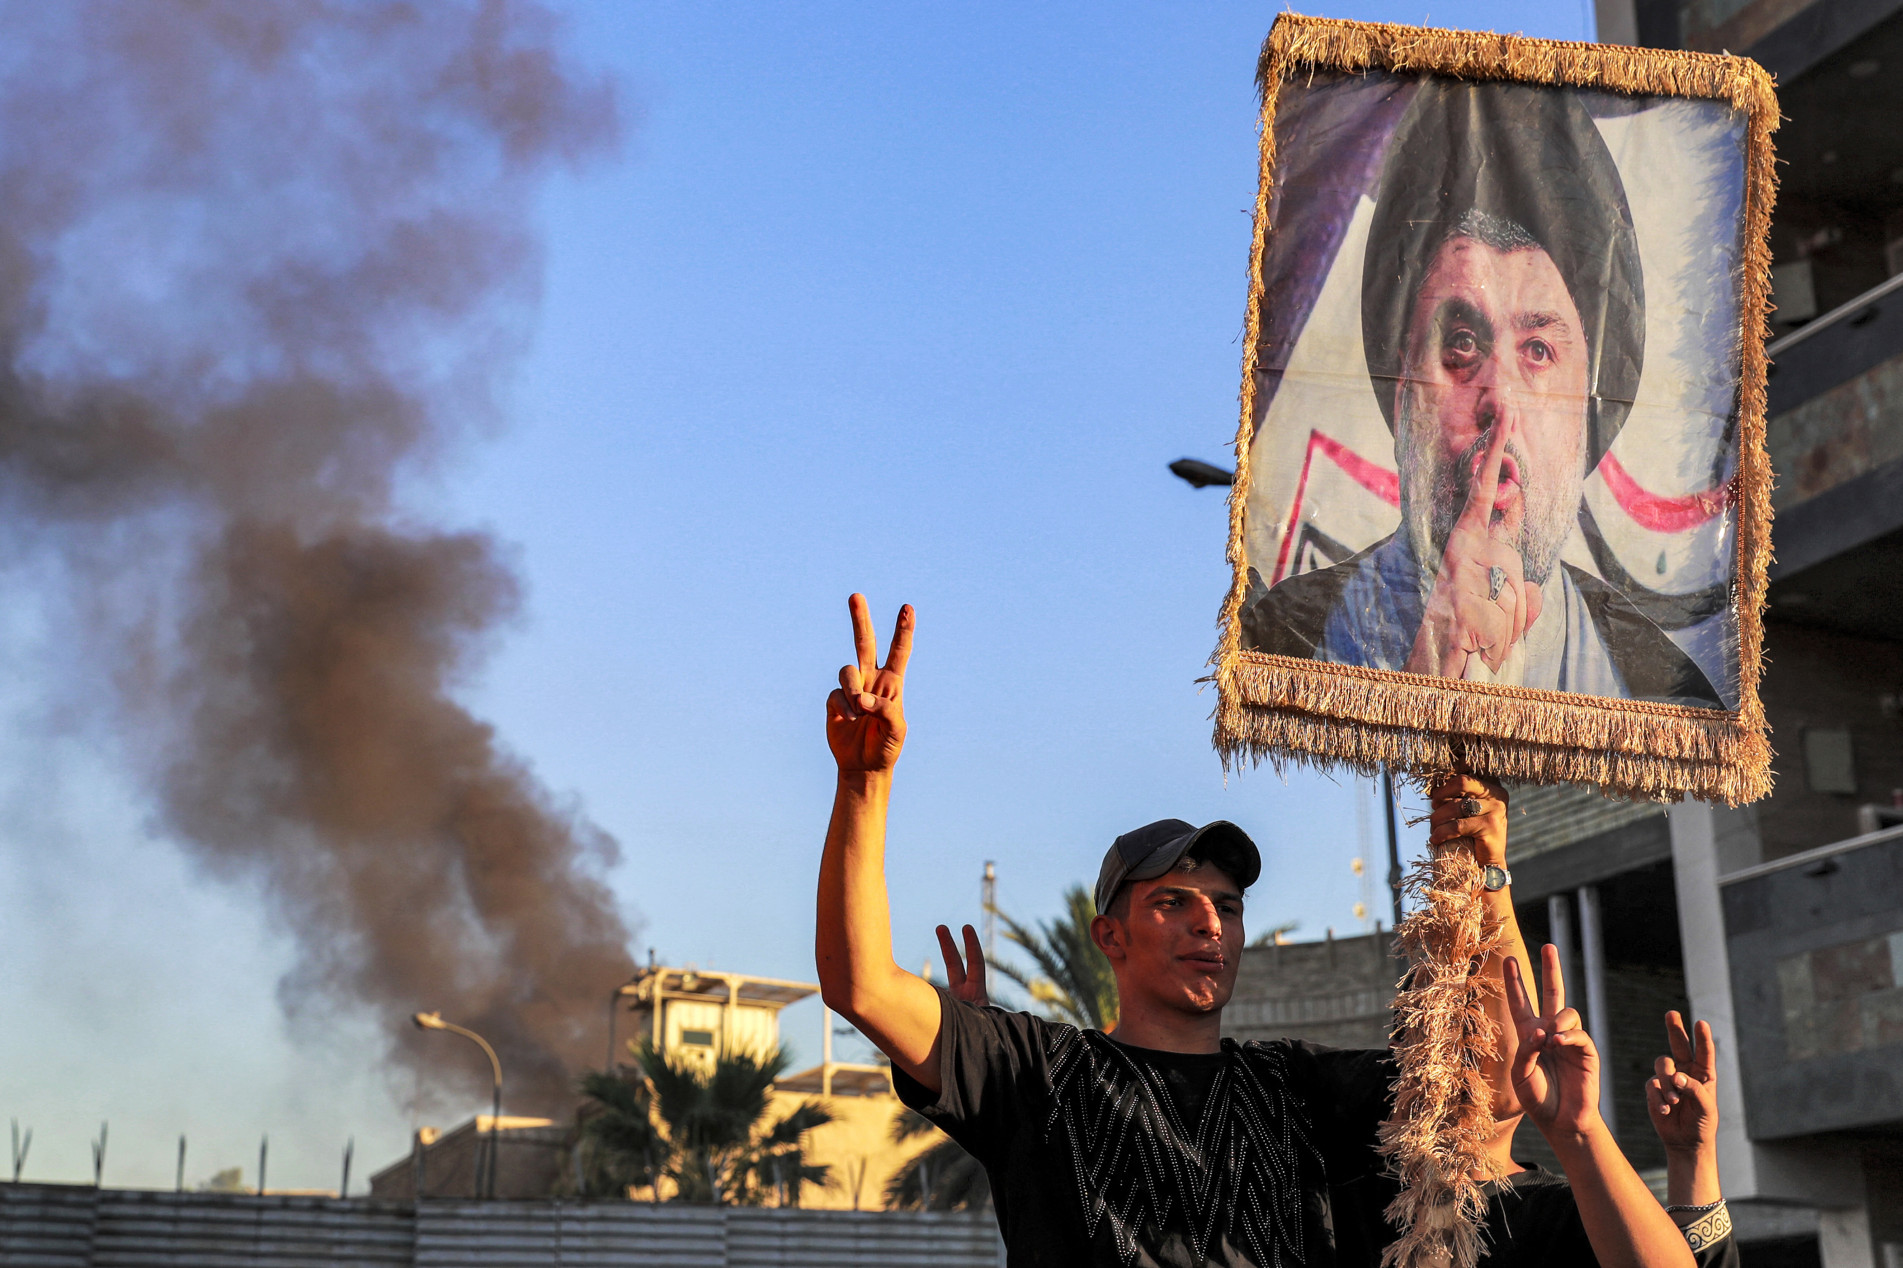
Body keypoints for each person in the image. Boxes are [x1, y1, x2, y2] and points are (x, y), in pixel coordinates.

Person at [816, 592, 1532, 1266]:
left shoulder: (1297, 1087)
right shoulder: (1040, 1075)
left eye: (1226, 905)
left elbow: (1494, 1088)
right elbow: (863, 987)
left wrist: (1488, 876)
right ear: (1109, 937)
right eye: (1172, 903)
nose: (1207, 924)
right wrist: (863, 785)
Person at [1238, 80, 1719, 708]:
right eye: (1461, 345)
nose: (1501, 401)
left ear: (1589, 407)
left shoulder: (1665, 693)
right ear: (1402, 384)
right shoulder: (1281, 649)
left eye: (1539, 352)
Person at [937, 925, 1709, 1268]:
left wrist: (1596, 1138)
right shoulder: (1339, 1170)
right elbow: (1131, 1106)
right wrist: (997, 1071)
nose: (1451, 1036)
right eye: (1427, 1015)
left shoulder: (1557, 1214)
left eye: (1481, 1021)